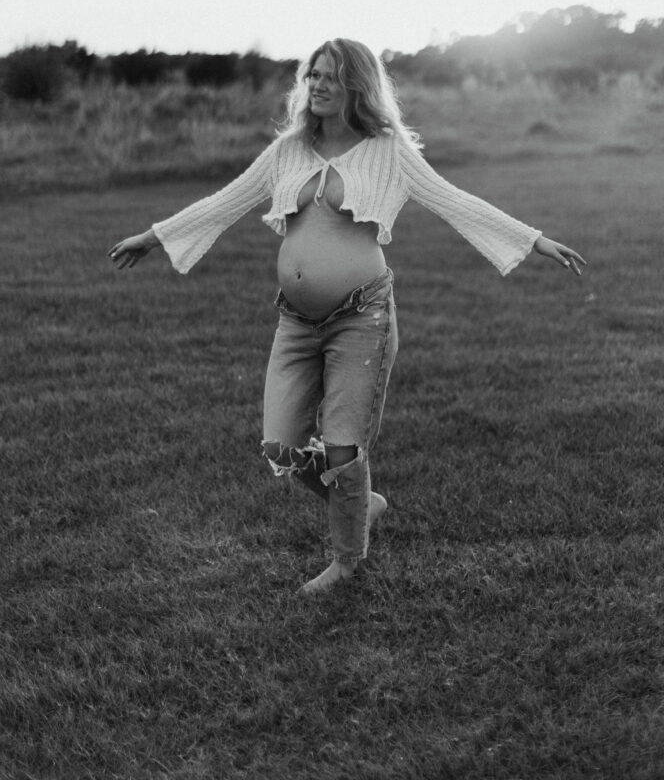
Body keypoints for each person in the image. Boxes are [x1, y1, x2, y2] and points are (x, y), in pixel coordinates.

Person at [109, 38, 585, 595]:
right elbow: (226, 201)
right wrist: (153, 237)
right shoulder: (288, 150)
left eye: (332, 76)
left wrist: (534, 241)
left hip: (363, 318)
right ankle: (362, 501)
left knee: (342, 447)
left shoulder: (387, 151)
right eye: (313, 75)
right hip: (295, 322)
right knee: (281, 447)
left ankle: (347, 560)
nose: (319, 85)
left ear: (356, 85)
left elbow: (454, 200)